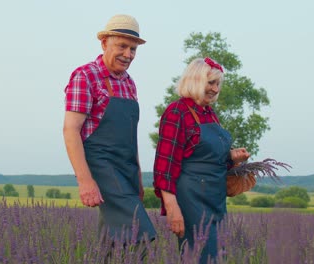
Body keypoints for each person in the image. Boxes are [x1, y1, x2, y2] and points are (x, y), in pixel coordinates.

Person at [63, 14, 156, 247]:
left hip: (126, 169)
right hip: (101, 167)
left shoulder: (128, 82)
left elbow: (130, 136)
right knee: (140, 233)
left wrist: (137, 177)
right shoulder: (85, 76)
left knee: (114, 241)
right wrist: (85, 181)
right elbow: (70, 130)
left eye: (133, 49)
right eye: (122, 46)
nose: (128, 54)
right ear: (104, 43)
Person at [153, 57, 252, 263]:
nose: (216, 89)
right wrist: (173, 209)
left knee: (216, 257)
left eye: (218, 84)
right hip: (192, 200)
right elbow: (164, 167)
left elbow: (212, 161)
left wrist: (232, 158)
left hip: (216, 199)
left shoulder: (209, 114)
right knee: (200, 256)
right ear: (195, 80)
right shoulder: (176, 112)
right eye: (211, 83)